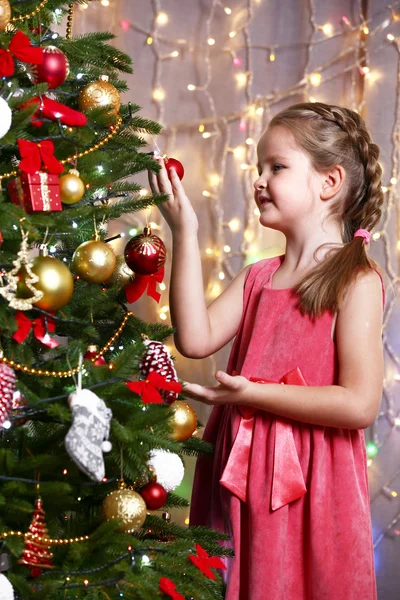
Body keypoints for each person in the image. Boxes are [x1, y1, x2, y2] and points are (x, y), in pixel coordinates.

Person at [149, 102, 384, 600]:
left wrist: (252, 393)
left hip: (311, 486)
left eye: (276, 166)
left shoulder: (355, 279)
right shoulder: (258, 275)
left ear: (329, 182)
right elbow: (194, 338)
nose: (259, 179)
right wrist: (184, 232)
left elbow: (359, 404)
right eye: (259, 167)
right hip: (239, 472)